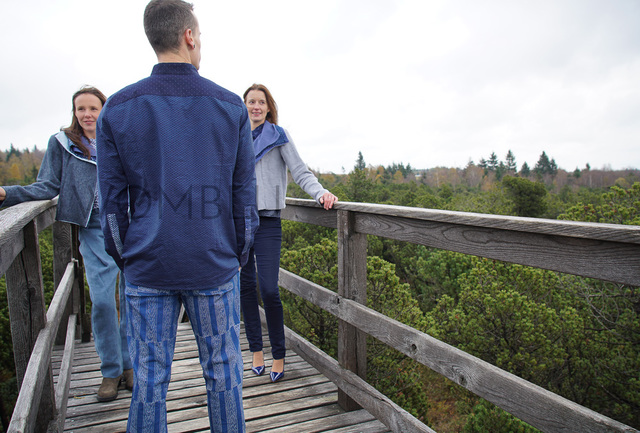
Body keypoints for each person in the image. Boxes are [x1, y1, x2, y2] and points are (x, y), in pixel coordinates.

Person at [96, 1, 258, 432]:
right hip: (214, 261)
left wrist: (127, 257)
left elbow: (111, 204)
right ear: (188, 36)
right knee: (224, 376)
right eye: (199, 35)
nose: (200, 42)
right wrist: (237, 254)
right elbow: (244, 197)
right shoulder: (229, 106)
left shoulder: (117, 108)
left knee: (149, 381)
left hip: (148, 264)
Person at [0, 86, 132, 402]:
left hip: (130, 225)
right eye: (80, 109)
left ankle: (130, 365)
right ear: (73, 112)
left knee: (132, 299)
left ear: (105, 110)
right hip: (94, 229)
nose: (86, 114)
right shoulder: (62, 144)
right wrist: (8, 194)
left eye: (93, 108)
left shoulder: (122, 138)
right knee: (102, 301)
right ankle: (110, 371)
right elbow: (47, 186)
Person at [241, 83, 338, 383]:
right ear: (244, 106)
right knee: (245, 288)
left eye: (261, 102)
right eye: (250, 102)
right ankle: (256, 350)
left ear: (269, 107)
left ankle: (278, 354)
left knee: (268, 288)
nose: (255, 107)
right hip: (240, 221)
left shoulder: (278, 136)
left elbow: (300, 171)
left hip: (268, 222)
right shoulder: (236, 136)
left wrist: (320, 193)